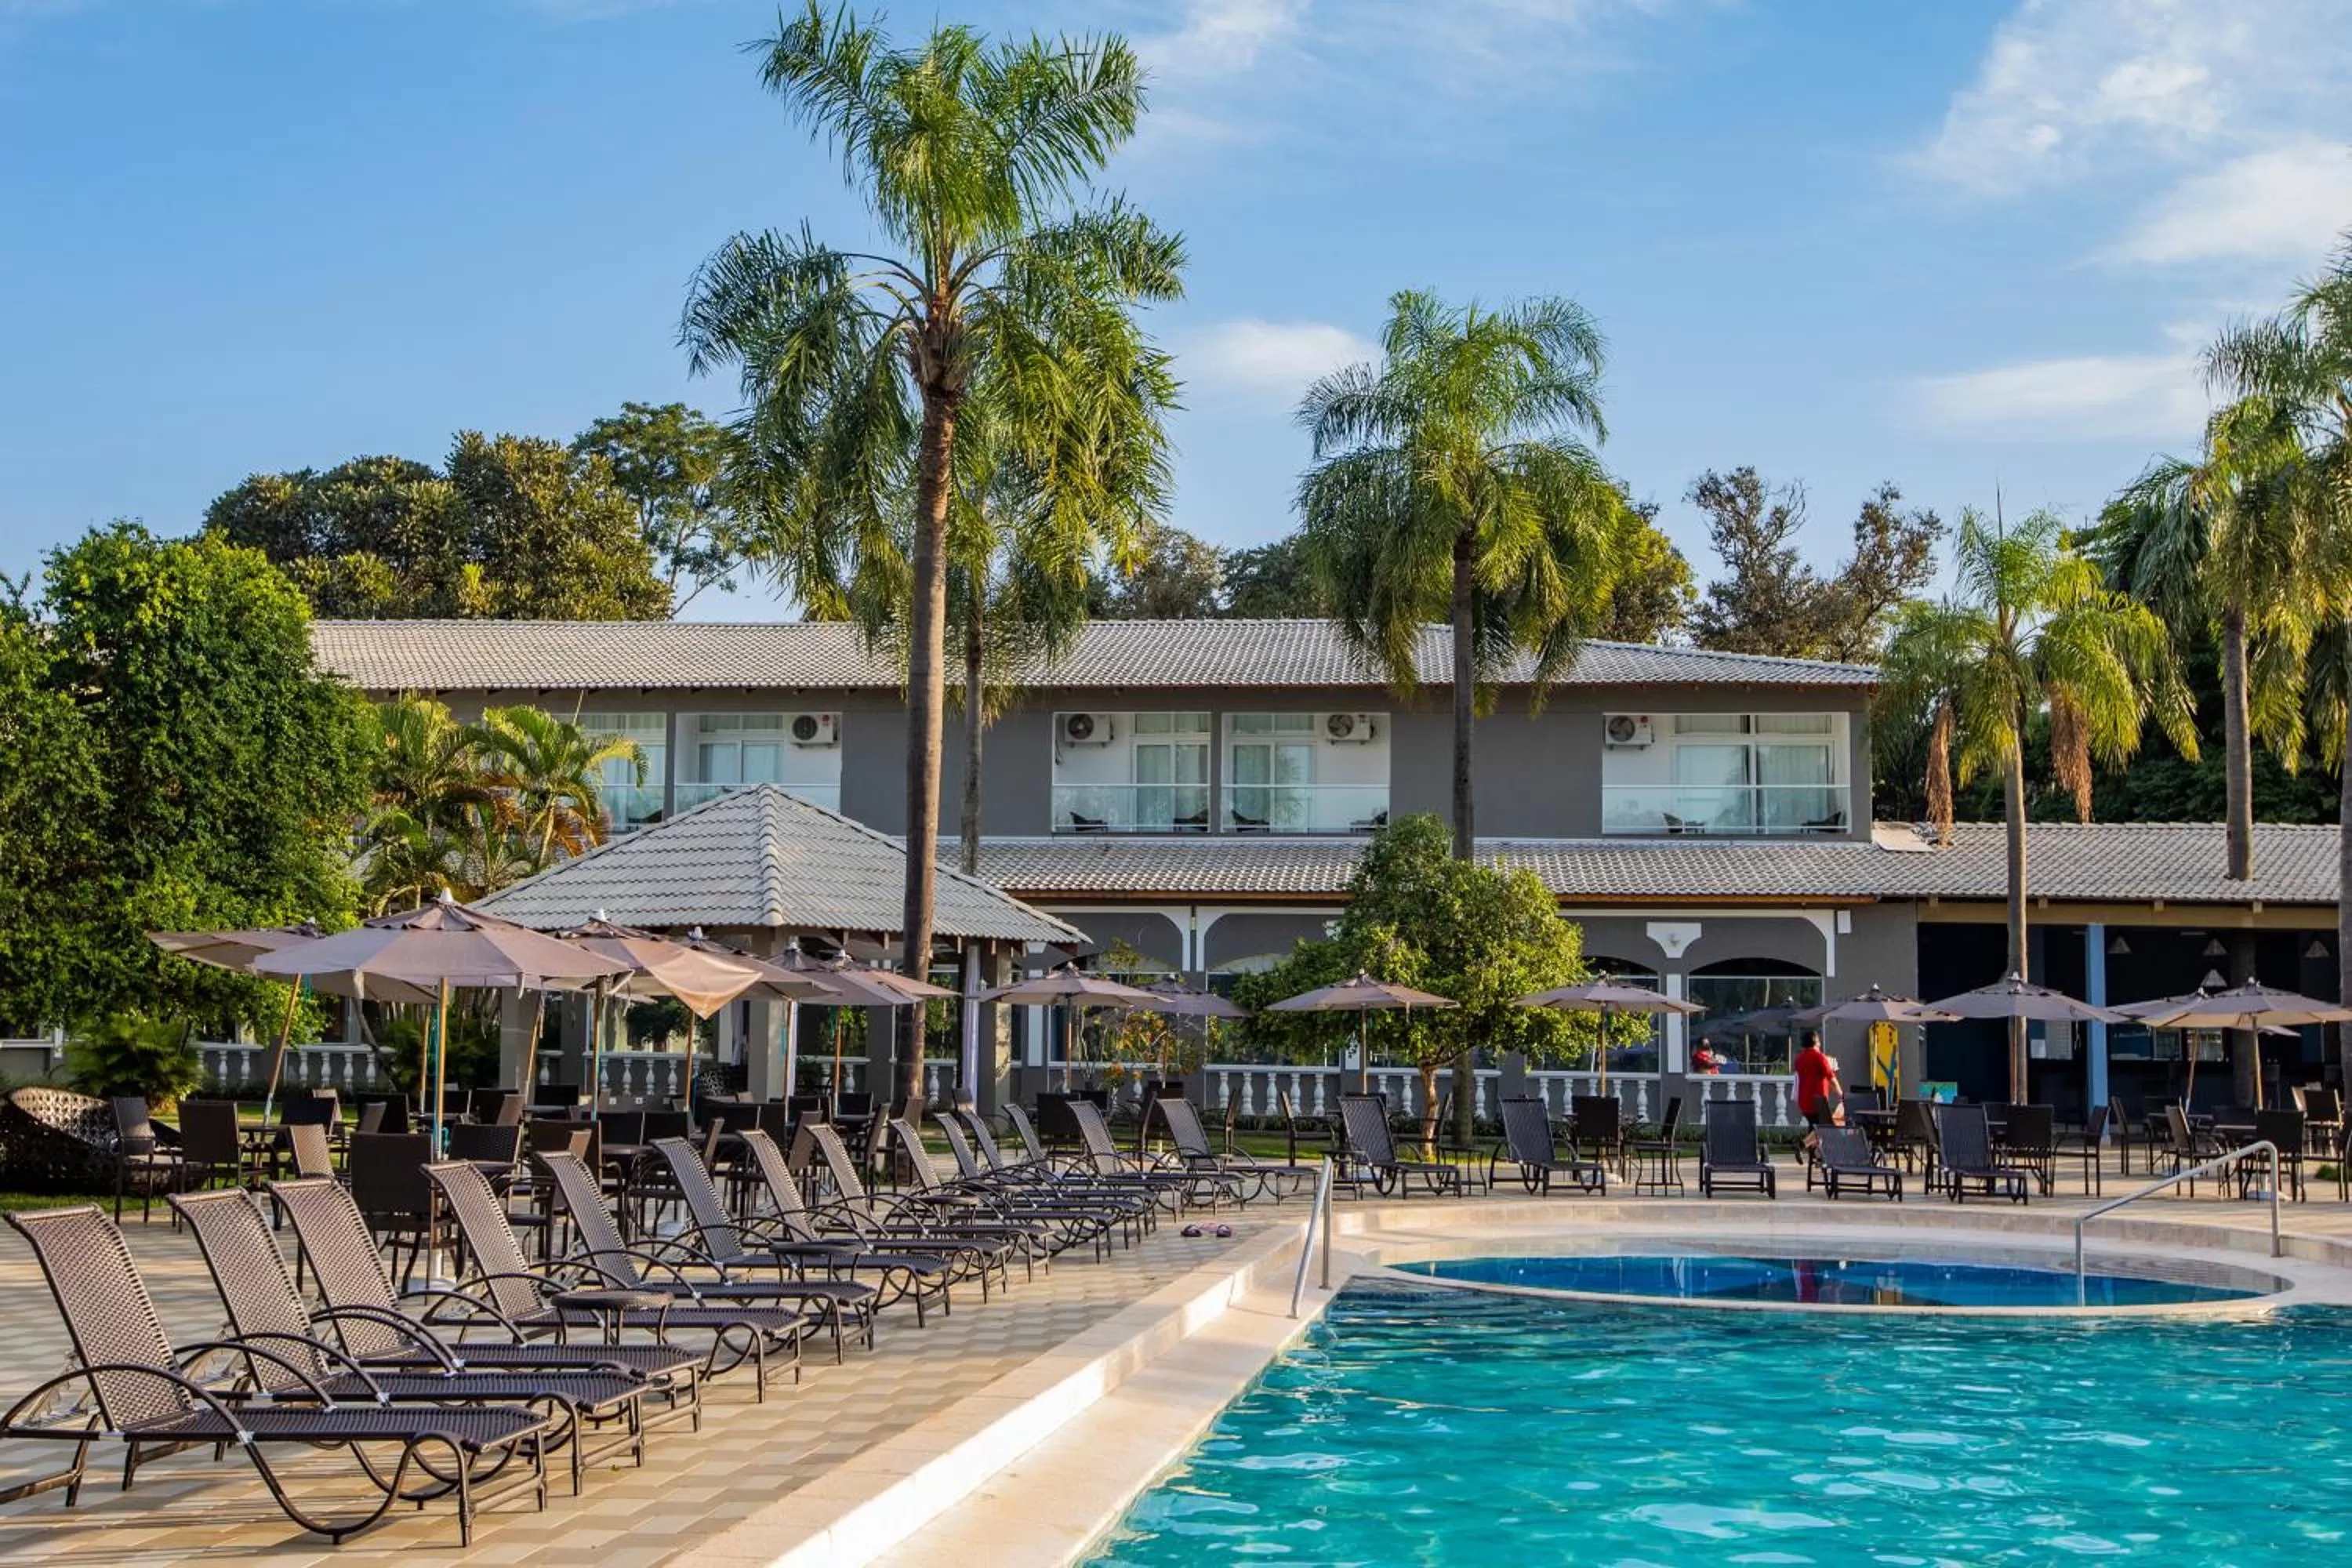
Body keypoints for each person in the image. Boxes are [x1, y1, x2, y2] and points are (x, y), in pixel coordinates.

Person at [1792, 1032, 1842, 1153]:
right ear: (1815, 1041)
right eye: (1819, 1040)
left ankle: (1816, 1156)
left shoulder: (1799, 1058)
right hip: (1818, 1101)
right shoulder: (1819, 1057)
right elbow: (1831, 1077)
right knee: (1825, 1127)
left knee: (1814, 1127)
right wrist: (1840, 1093)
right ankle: (1802, 1145)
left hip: (1803, 1099)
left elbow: (1813, 1075)